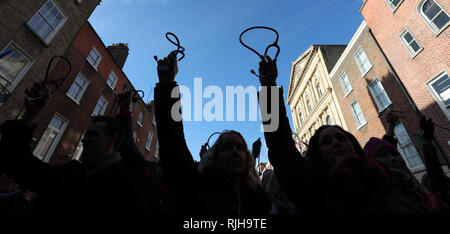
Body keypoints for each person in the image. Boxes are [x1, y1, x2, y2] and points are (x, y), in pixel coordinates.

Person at [255, 56, 396, 214]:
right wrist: (268, 86)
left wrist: (393, 129)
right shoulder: (314, 191)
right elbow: (281, 146)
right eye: (326, 142)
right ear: (317, 155)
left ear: (354, 145)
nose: (336, 143)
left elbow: (387, 151)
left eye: (341, 138)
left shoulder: (384, 178)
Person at [0, 82, 149, 215]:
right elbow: (20, 165)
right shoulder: (71, 172)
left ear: (112, 138)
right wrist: (31, 115)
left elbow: (129, 146)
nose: (84, 139)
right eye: (86, 134)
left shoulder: (126, 186)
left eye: (92, 135)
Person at [153, 52, 270, 214]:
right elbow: (173, 144)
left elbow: (282, 148)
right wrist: (167, 84)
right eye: (227, 147)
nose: (235, 151)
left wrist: (269, 85)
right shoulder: (197, 189)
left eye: (240, 147)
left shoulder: (260, 201)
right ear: (214, 157)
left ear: (248, 159)